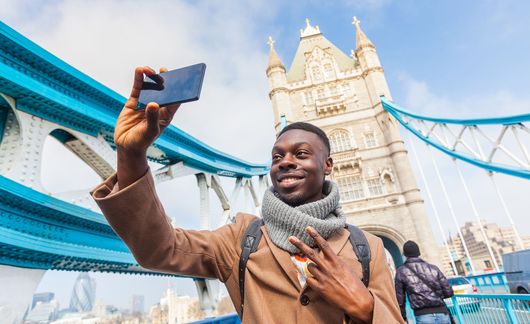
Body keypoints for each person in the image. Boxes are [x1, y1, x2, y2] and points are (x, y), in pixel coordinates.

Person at [91, 66, 403, 323]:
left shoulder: (368, 248)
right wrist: (131, 155)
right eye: (277, 156)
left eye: (302, 153)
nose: (286, 162)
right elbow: (158, 249)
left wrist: (365, 307)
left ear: (328, 165)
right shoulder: (242, 238)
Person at [394, 241, 454, 323]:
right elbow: (449, 292)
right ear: (418, 252)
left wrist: (403, 317)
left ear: (405, 254)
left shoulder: (401, 271)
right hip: (442, 313)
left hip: (423, 315)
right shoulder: (433, 268)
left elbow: (400, 299)